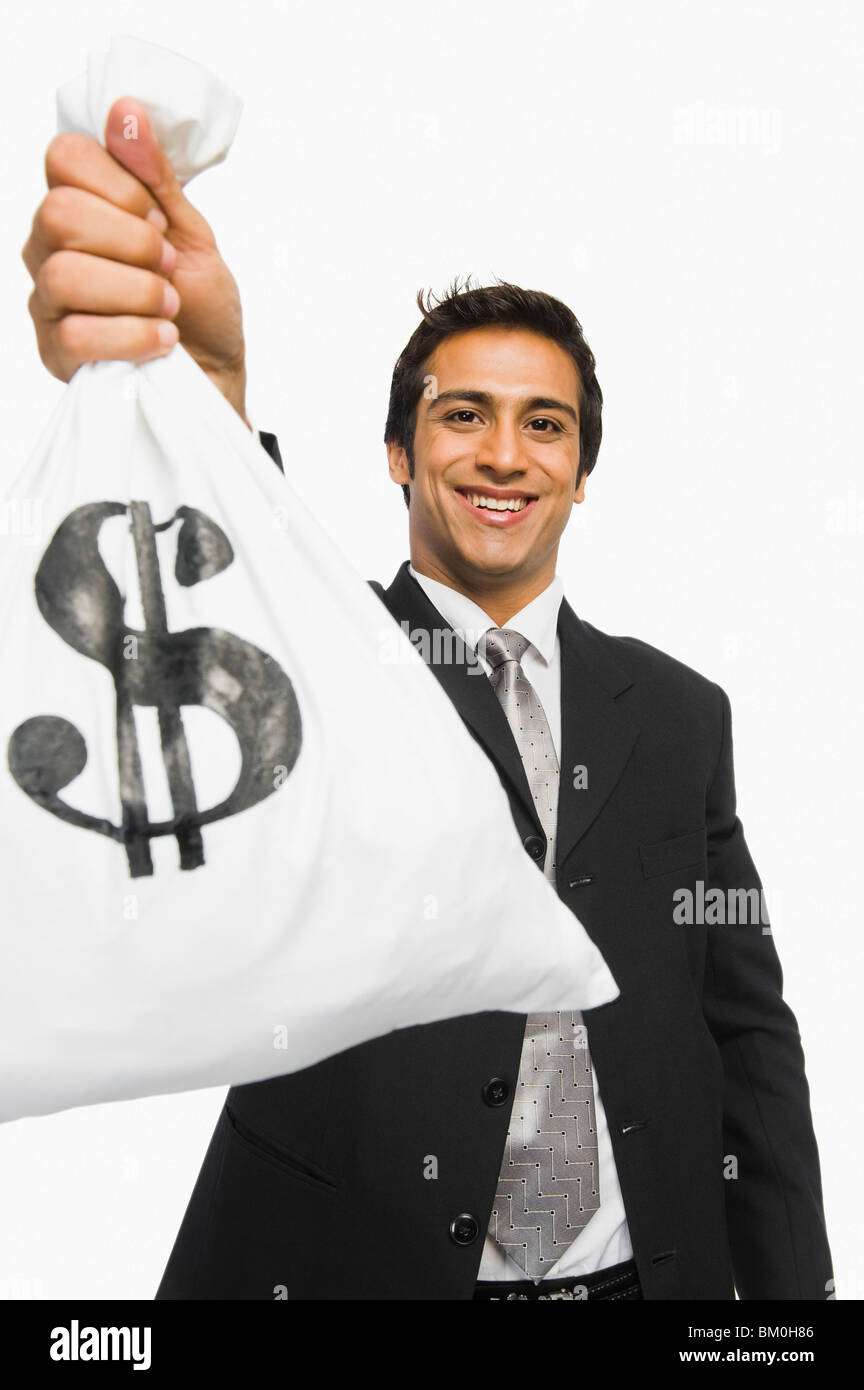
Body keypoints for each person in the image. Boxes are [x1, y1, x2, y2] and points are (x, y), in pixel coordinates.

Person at [22, 98, 833, 1302]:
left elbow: (748, 1031)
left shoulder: (677, 710)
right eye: (464, 416)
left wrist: (792, 1299)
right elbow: (218, 642)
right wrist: (204, 411)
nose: (505, 455)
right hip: (362, 1271)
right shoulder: (321, 660)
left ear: (580, 471)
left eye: (543, 424)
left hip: (643, 1279)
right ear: (399, 452)